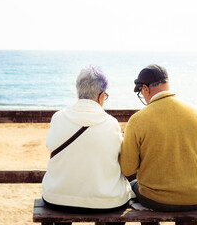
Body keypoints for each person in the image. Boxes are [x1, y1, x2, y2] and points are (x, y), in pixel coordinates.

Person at [119, 64, 197, 225]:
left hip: (156, 199)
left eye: (141, 92)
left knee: (135, 186)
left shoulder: (138, 119)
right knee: (190, 201)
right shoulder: (196, 113)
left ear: (145, 89)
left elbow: (128, 168)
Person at [42, 65, 134, 225]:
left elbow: (50, 145)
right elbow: (119, 154)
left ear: (78, 91)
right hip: (106, 202)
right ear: (101, 96)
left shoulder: (58, 118)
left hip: (58, 198)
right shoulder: (111, 123)